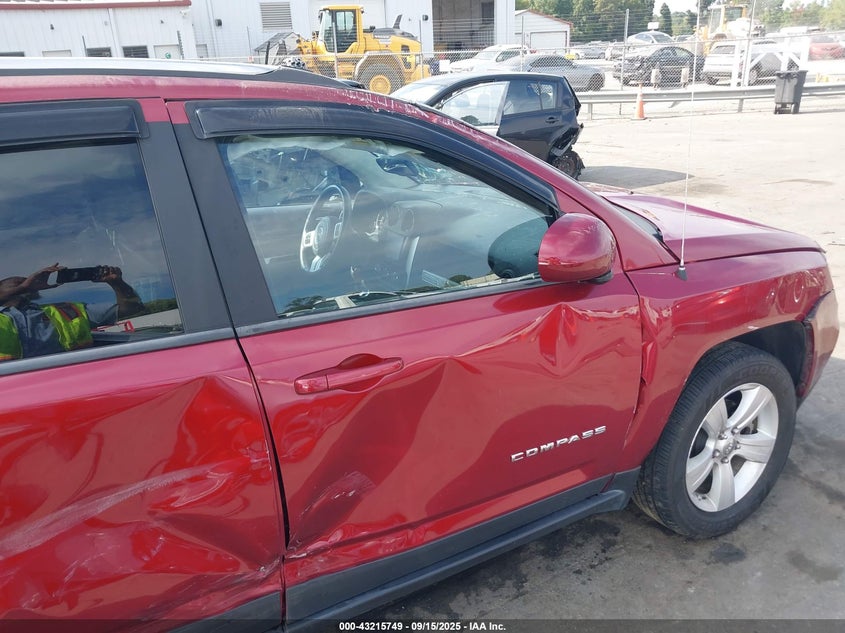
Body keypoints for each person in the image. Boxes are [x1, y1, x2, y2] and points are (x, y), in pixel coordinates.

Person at [0, 263, 145, 361]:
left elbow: (132, 309)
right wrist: (23, 288)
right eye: (15, 283)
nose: (26, 282)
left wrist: (117, 282)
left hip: (75, 386)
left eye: (25, 282)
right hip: (12, 392)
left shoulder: (68, 310)